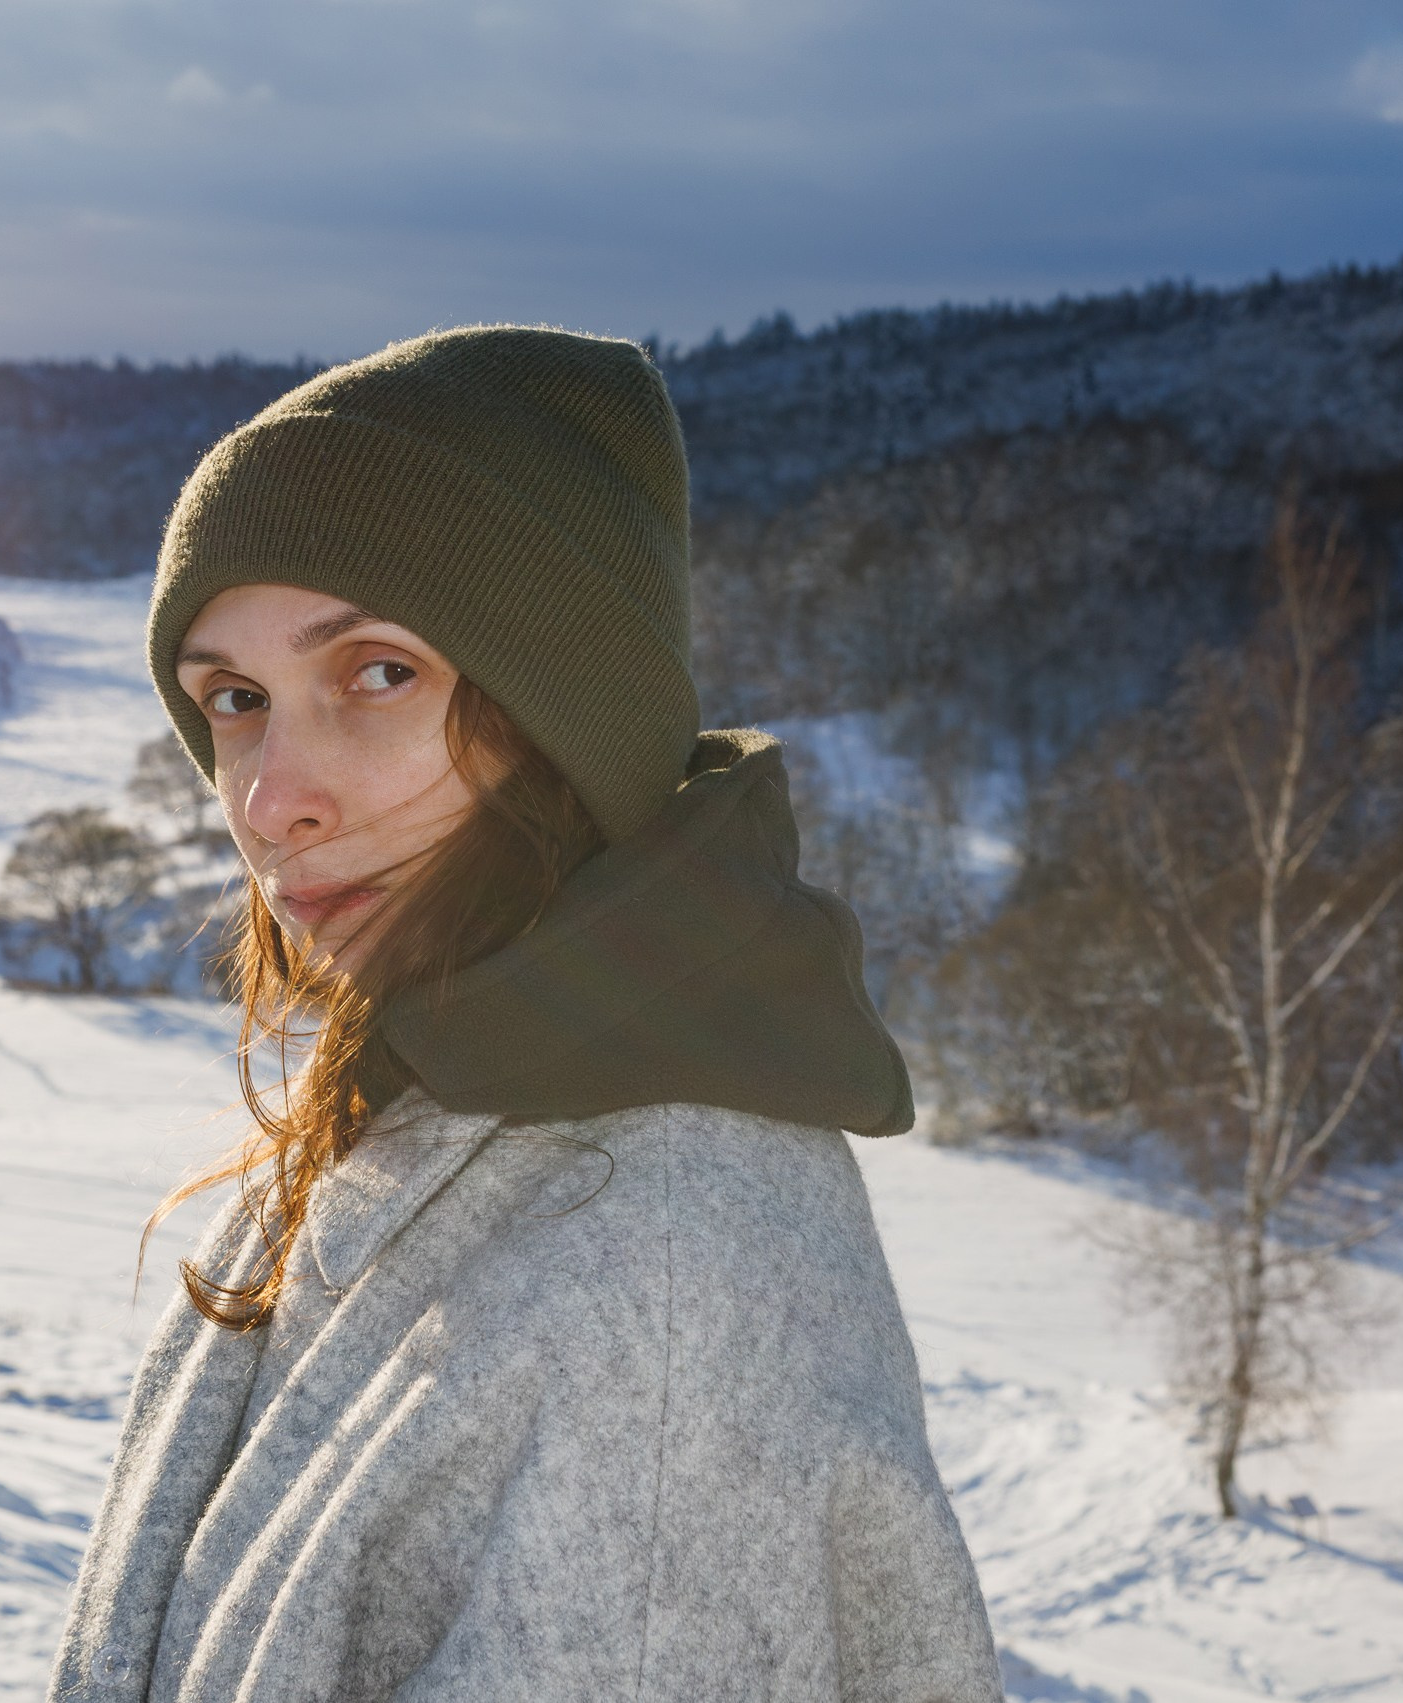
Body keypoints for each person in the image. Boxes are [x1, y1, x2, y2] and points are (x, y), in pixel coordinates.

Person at [48, 325, 998, 1702]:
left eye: (380, 671)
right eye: (235, 700)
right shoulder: (421, 1097)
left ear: (566, 711)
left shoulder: (664, 1279)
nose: (269, 799)